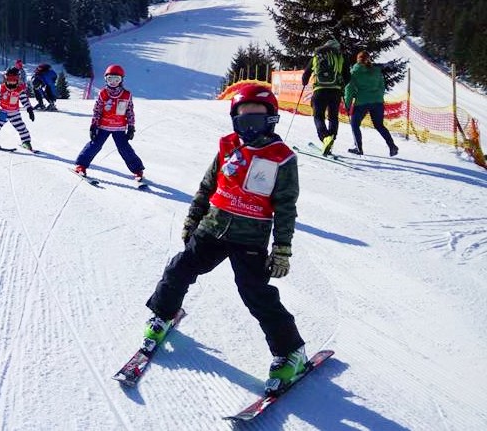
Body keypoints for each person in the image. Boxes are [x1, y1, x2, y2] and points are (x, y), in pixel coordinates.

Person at [141, 84, 306, 394]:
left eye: (257, 119)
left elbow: (286, 207)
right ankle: (163, 314)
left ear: (271, 119)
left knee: (255, 292)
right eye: (244, 120)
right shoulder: (228, 146)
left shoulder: (281, 158)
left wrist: (282, 249)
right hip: (212, 227)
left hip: (250, 237)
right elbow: (207, 186)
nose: (250, 127)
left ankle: (291, 352)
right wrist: (193, 219)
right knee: (180, 267)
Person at [74, 64, 144, 181]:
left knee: (124, 148)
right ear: (106, 79)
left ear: (121, 80)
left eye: (117, 79)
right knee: (95, 145)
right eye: (110, 79)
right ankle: (81, 165)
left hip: (119, 127)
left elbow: (130, 111)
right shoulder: (103, 93)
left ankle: (137, 170)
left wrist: (131, 127)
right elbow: (97, 110)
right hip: (103, 126)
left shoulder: (126, 95)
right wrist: (93, 125)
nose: (113, 82)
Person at [344, 51, 399, 157]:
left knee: (355, 124)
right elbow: (382, 86)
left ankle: (358, 148)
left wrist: (347, 104)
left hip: (362, 102)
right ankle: (392, 146)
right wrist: (378, 96)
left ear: (357, 59)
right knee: (379, 125)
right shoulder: (376, 70)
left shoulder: (354, 71)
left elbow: (349, 89)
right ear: (368, 59)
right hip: (377, 102)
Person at [302, 38, 351, 156]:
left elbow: (306, 74)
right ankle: (331, 139)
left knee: (318, 116)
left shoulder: (317, 56)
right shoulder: (341, 57)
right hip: (335, 92)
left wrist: (304, 82)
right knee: (333, 117)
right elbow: (348, 77)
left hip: (319, 90)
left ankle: (325, 138)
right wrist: (341, 86)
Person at [0, 67, 35, 151]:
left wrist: (29, 109)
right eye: (9, 79)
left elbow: (24, 100)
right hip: (4, 111)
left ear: (17, 79)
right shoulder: (3, 87)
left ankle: (26, 142)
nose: (11, 81)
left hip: (14, 113)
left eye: (14, 79)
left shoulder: (19, 90)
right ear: (6, 78)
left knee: (21, 127)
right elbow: (0, 96)